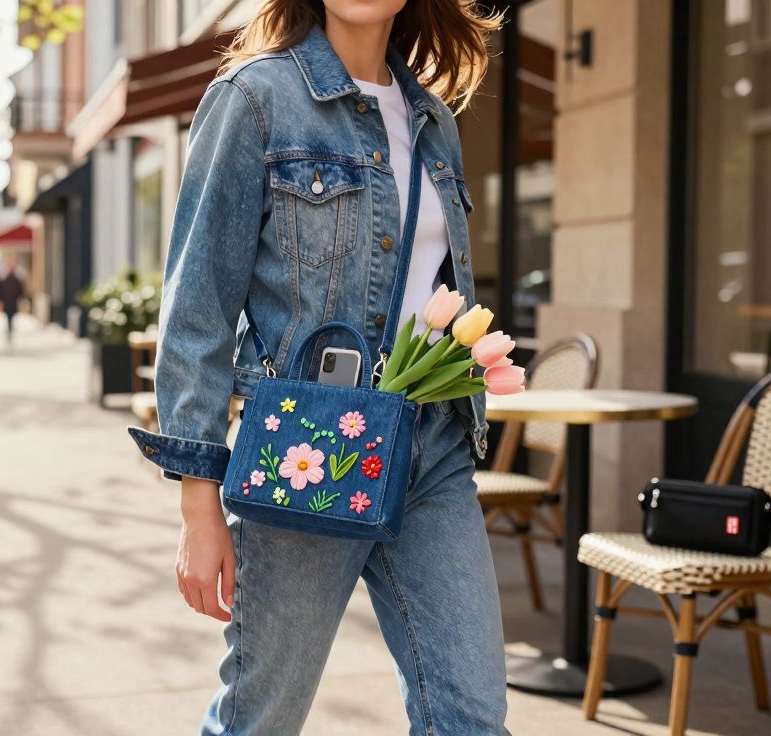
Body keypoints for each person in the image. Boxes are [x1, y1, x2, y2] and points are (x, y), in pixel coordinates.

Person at [128, 2, 509, 734]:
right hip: (308, 453)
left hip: (430, 451)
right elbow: (198, 308)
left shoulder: (435, 122)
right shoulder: (255, 99)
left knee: (471, 717)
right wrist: (197, 501)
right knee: (261, 719)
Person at [0, 258, 25, 349]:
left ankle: (9, 330)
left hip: (9, 302)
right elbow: (20, 291)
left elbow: (0, 291)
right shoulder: (14, 280)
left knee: (9, 317)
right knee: (10, 317)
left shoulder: (8, 280)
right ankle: (9, 330)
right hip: (11, 302)